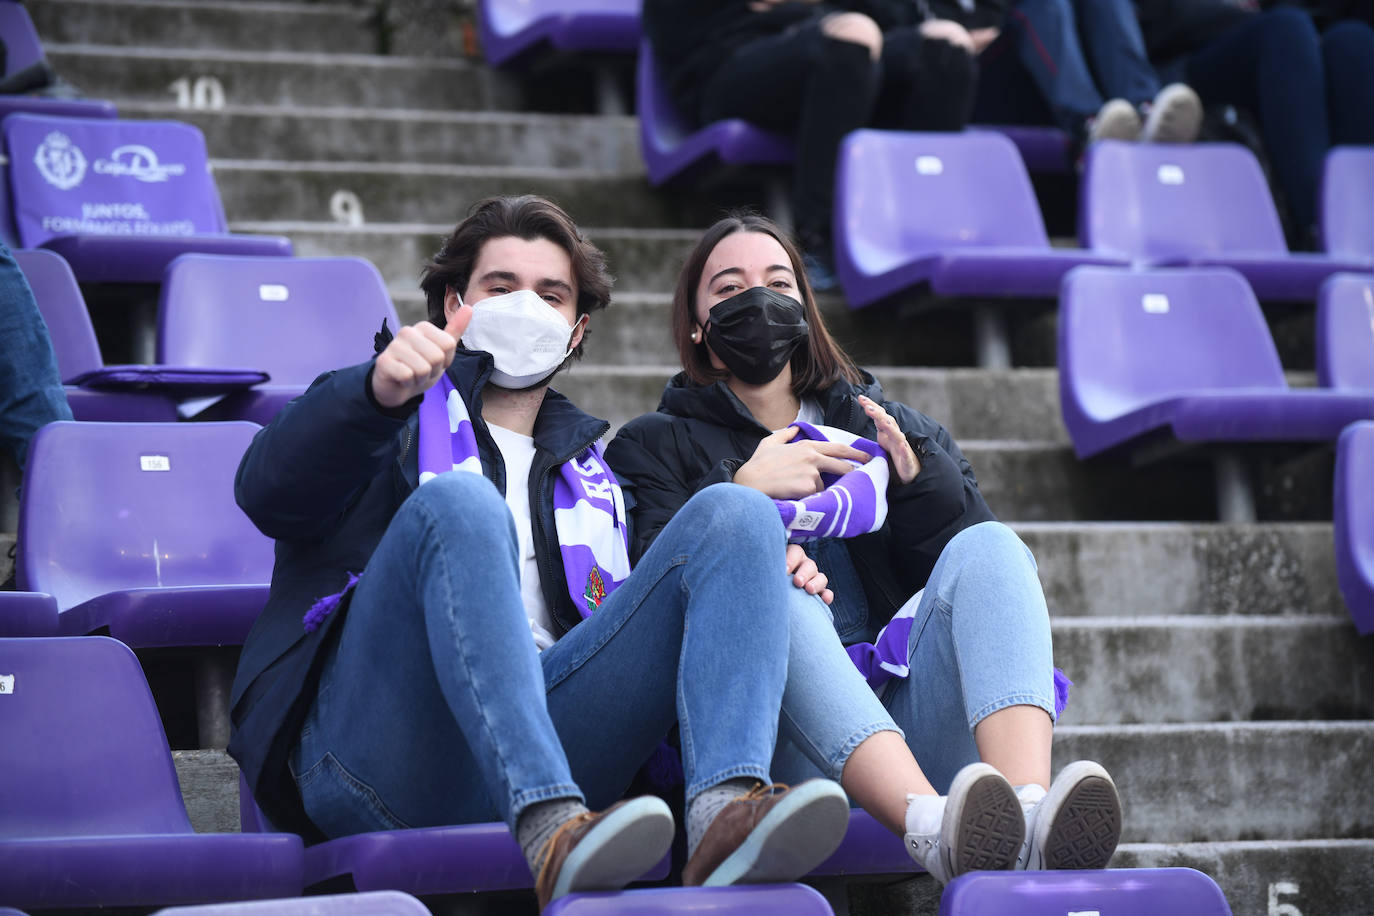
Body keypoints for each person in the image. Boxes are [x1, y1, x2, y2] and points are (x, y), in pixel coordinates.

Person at [227, 195, 1034, 909]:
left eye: (551, 295)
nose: (526, 307)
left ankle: (725, 812)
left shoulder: (595, 474)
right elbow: (268, 492)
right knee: (464, 507)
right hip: (386, 752)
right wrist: (372, 394)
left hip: (560, 728)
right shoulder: (384, 415)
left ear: (577, 329)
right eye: (500, 287)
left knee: (735, 515)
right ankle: (546, 821)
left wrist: (760, 557)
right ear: (452, 303)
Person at [605, 212, 1126, 874]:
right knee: (777, 590)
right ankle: (929, 828)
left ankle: (1026, 820)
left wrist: (915, 485)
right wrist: (739, 491)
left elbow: (979, 598)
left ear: (805, 309)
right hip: (780, 755)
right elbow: (652, 592)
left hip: (914, 728)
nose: (757, 300)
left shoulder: (887, 427)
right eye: (730, 289)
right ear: (697, 327)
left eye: (778, 284)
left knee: (993, 546)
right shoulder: (651, 445)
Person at [642, 0, 985, 289]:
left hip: (833, 42)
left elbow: (893, 14)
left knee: (948, 42)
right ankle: (817, 239)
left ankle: (918, 235)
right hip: (726, 61)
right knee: (853, 34)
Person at [1135, 0, 1374, 247]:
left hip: (1293, 32)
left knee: (1354, 42)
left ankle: (1362, 236)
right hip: (1189, 53)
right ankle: (1318, 229)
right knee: (1286, 31)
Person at [981, 0, 1202, 148]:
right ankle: (1088, 126)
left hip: (1062, 64)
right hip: (986, 76)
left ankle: (1145, 112)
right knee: (1046, 5)